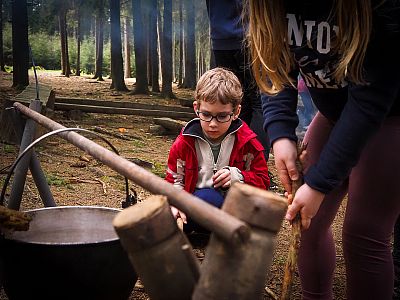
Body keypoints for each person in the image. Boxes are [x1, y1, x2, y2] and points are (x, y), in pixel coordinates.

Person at [247, 1, 400, 299]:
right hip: (332, 117)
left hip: (390, 118)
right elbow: (274, 68)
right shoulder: (269, 6)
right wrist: (280, 136)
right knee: (307, 224)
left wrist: (318, 184)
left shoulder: (379, 6)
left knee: (363, 235)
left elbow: (370, 100)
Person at [165, 67, 270, 233]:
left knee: (212, 198)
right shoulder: (185, 142)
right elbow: (174, 180)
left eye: (222, 116)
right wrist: (176, 203)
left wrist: (239, 177)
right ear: (196, 108)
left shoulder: (248, 143)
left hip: (233, 209)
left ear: (236, 112)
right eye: (206, 115)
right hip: (193, 207)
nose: (213, 124)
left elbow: (263, 181)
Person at [205, 0, 271, 163]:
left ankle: (234, 163)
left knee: (237, 102)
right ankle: (256, 167)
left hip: (220, 39)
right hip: (252, 37)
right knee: (259, 104)